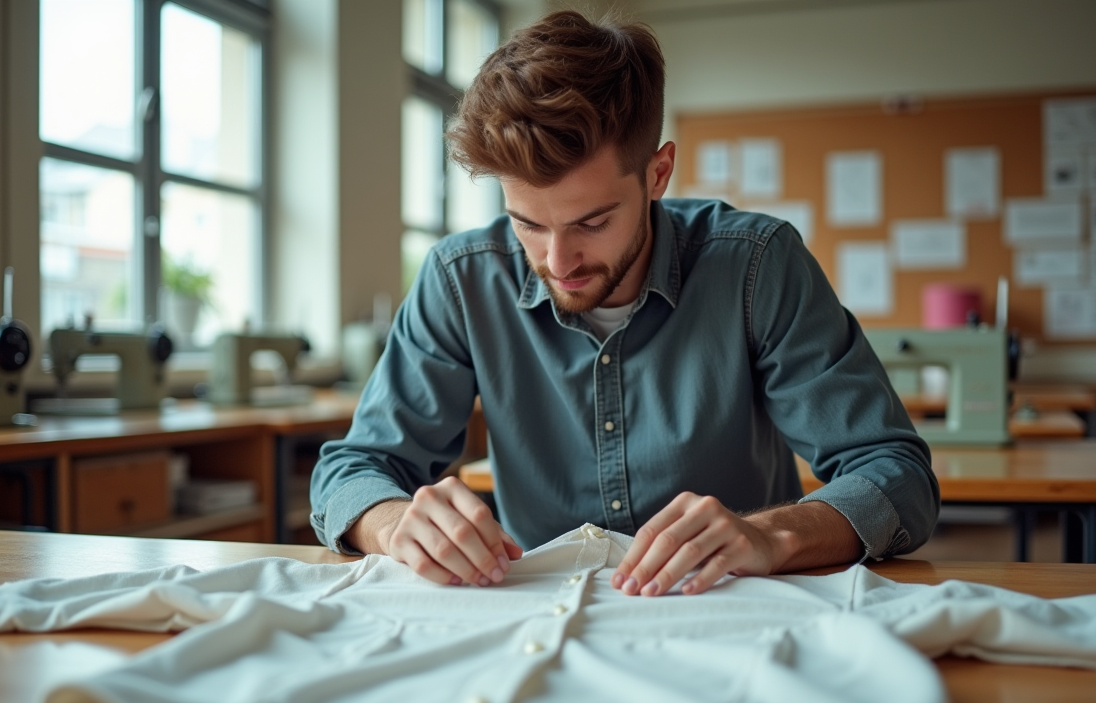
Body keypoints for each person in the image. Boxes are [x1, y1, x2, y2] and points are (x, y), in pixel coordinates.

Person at [311, 9, 938, 598]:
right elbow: (351, 470)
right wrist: (391, 522)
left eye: (592, 222)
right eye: (528, 224)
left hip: (728, 609)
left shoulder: (756, 265)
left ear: (658, 174)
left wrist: (771, 536)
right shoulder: (460, 279)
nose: (558, 262)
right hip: (537, 617)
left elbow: (896, 474)